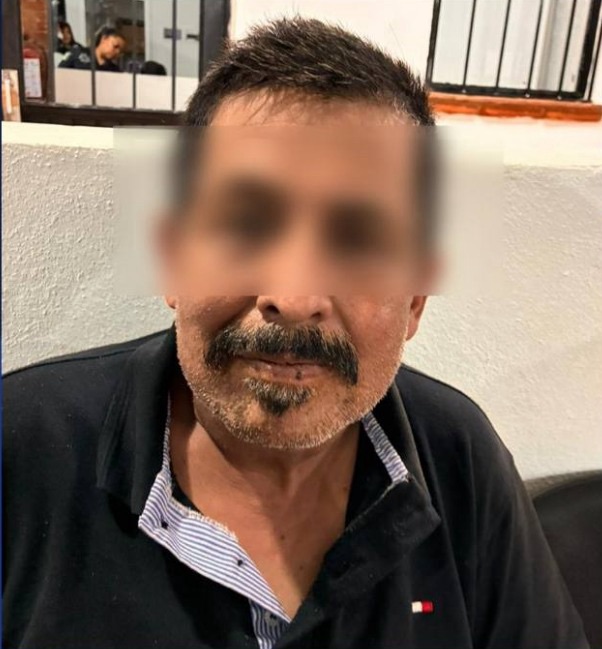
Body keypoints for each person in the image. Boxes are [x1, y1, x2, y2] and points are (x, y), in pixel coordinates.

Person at [3, 17, 589, 649]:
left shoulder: (460, 458)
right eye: (246, 225)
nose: (294, 297)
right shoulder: (21, 450)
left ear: (416, 298)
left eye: (358, 238)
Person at [58, 26, 125, 72]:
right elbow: (59, 74)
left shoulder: (114, 70)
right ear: (104, 38)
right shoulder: (78, 53)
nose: (117, 52)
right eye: (115, 46)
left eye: (120, 51)